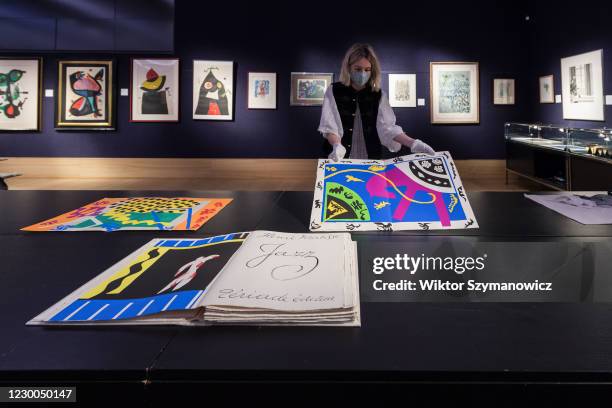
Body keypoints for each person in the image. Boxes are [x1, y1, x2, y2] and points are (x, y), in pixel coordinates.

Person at [318, 43, 435, 161]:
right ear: (348, 68)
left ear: (372, 70)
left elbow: (388, 128)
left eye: (367, 69)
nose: (362, 73)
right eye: (358, 69)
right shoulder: (334, 90)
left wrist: (413, 143)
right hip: (338, 156)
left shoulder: (378, 94)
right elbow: (329, 125)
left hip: (371, 155)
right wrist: (337, 145)